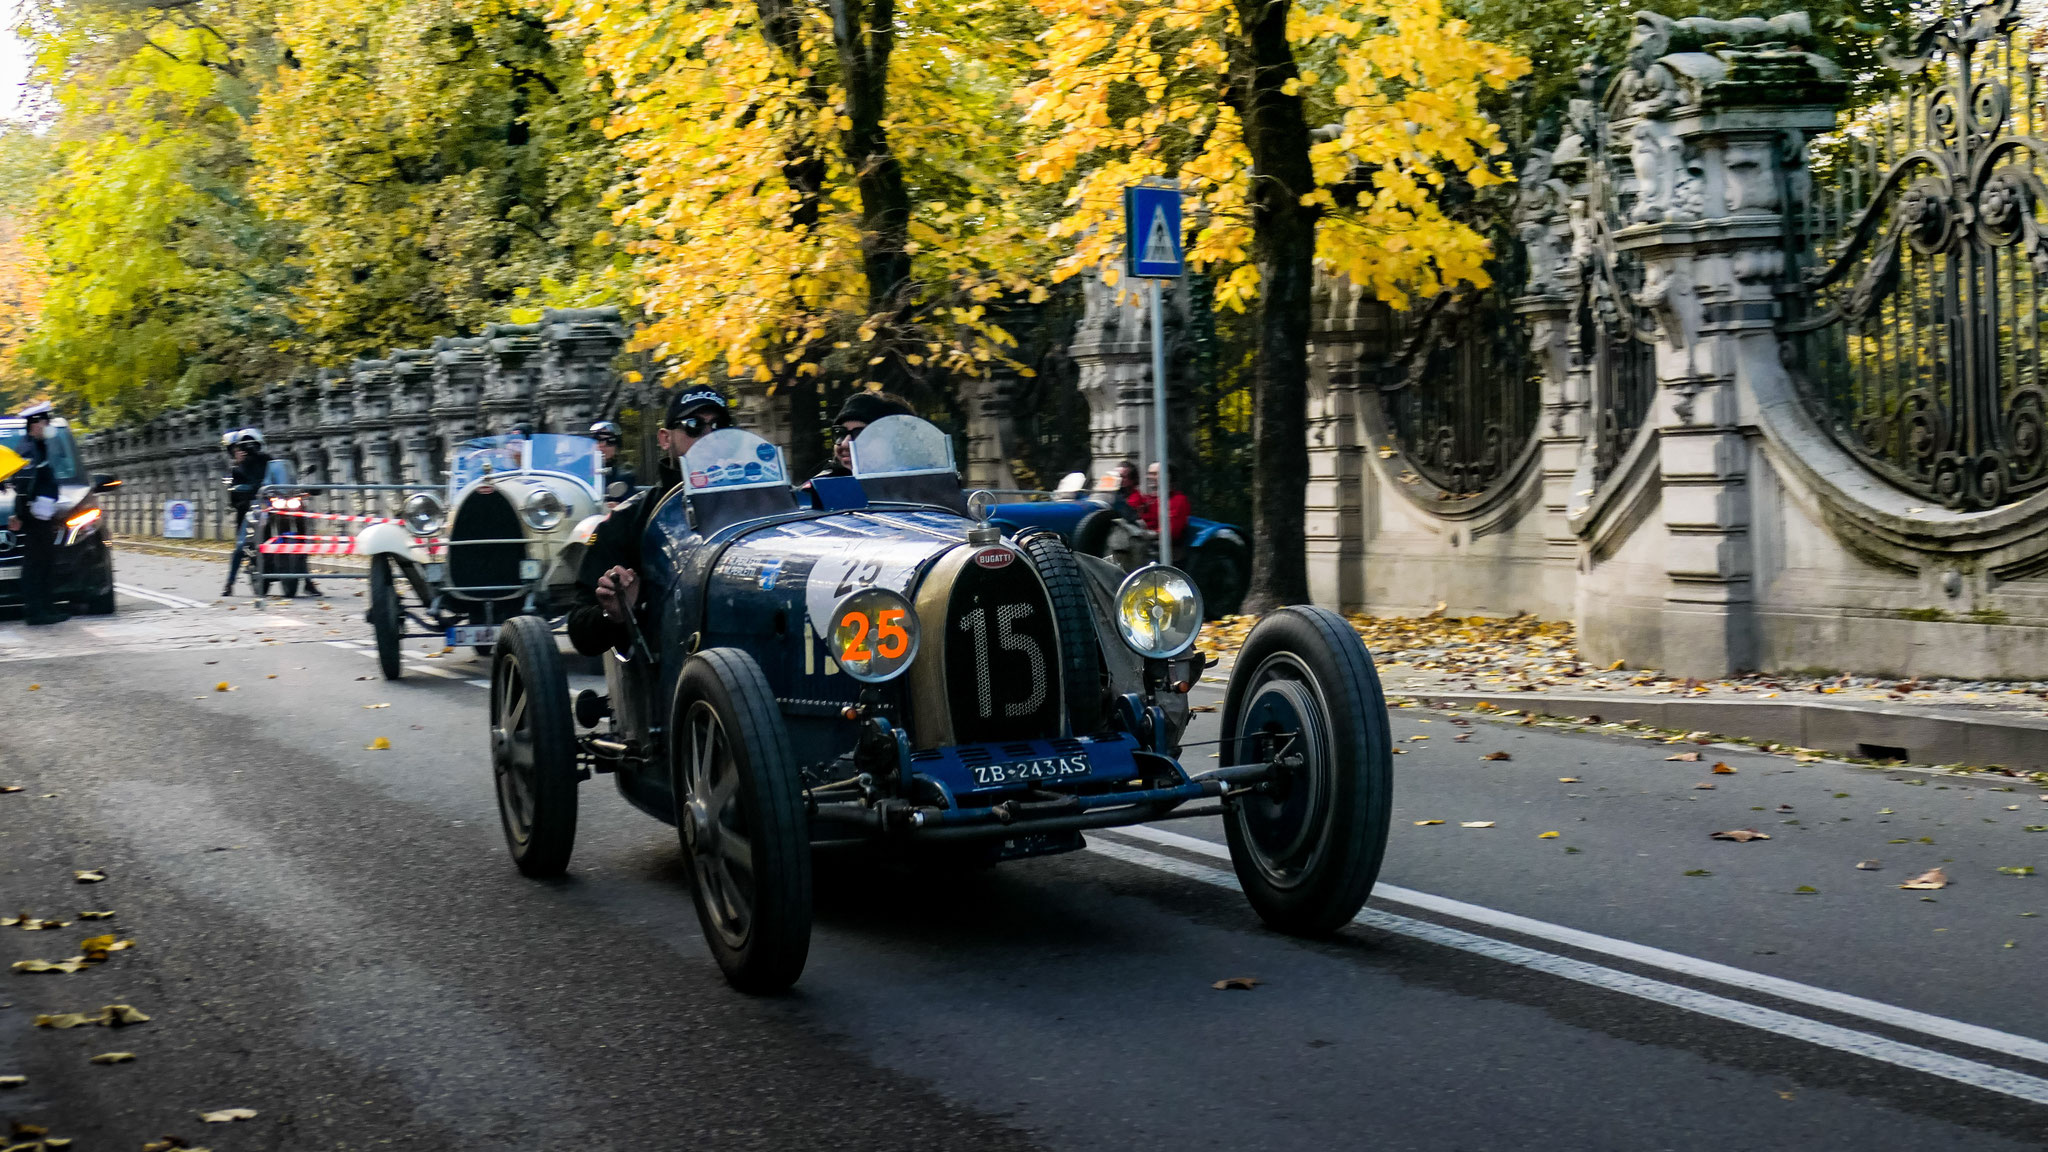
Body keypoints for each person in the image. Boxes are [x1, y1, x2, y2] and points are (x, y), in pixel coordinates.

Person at [567, 386, 733, 657]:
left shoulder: (766, 506)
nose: (709, 436)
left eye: (720, 426)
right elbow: (580, 629)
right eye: (693, 425)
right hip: (669, 667)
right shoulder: (626, 521)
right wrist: (618, 612)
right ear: (665, 439)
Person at [8, 403, 67, 625]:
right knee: (36, 565)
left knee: (44, 563)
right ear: (35, 424)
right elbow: (24, 484)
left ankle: (45, 608)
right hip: (35, 516)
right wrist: (20, 514)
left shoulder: (38, 446)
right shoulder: (29, 449)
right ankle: (36, 611)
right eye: (45, 422)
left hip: (42, 515)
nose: (48, 426)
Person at [813, 390, 917, 481]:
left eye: (861, 434)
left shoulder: (925, 489)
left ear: (897, 443)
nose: (845, 443)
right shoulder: (818, 493)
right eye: (840, 433)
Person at [1127, 461, 1190, 543]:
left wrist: (1145, 533)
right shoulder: (1147, 498)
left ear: (1168, 476)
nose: (1149, 477)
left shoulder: (1178, 500)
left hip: (1163, 549)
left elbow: (1170, 531)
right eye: (1149, 473)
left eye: (1154, 474)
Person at [590, 420, 637, 499]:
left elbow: (628, 503)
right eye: (598, 439)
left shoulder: (624, 475)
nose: (602, 445)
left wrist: (616, 506)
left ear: (616, 447)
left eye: (610, 441)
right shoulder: (581, 470)